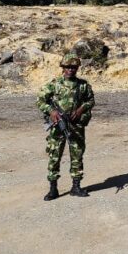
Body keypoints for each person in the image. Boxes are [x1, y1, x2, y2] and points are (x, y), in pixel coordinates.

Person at [37, 53, 95, 200]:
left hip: (75, 126)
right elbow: (40, 100)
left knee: (77, 155)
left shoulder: (82, 85)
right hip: (58, 127)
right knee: (54, 156)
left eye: (74, 67)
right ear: (63, 67)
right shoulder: (54, 84)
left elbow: (90, 100)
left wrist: (81, 110)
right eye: (68, 67)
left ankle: (76, 187)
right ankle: (53, 189)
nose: (71, 70)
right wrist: (51, 111)